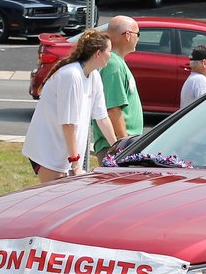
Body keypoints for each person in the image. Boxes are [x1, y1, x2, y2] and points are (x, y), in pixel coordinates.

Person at [22, 29, 118, 182]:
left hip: (67, 155)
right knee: (54, 203)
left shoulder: (94, 75)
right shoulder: (71, 76)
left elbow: (102, 118)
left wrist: (116, 149)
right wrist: (75, 165)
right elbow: (68, 124)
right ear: (98, 53)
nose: (111, 55)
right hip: (49, 152)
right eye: (109, 51)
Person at [93, 15, 144, 163]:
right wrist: (124, 145)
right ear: (127, 35)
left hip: (120, 145)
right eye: (138, 34)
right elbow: (113, 110)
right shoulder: (114, 65)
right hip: (116, 147)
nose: (138, 39)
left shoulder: (117, 62)